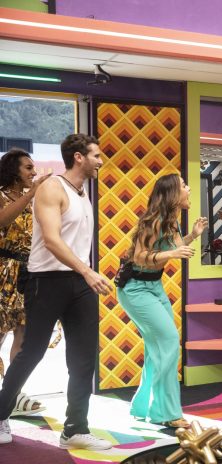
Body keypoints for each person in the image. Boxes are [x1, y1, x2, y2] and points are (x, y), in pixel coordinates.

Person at [0, 134, 113, 449]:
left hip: (79, 283)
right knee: (31, 352)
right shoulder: (52, 188)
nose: (100, 161)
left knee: (83, 358)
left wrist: (84, 274)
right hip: (46, 281)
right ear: (78, 157)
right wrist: (87, 271)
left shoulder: (82, 193)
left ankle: (75, 428)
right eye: (96, 156)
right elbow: (51, 240)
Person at [117, 173, 207, 429]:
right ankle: (166, 413)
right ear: (172, 194)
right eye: (184, 185)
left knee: (156, 348)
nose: (189, 189)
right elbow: (140, 256)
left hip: (153, 286)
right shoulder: (153, 220)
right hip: (135, 289)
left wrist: (193, 236)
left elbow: (173, 249)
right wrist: (173, 253)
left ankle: (143, 407)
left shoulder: (172, 221)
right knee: (168, 342)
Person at [0, 149, 51, 417]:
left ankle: (13, 394)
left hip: (28, 272)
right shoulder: (2, 195)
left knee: (23, 333)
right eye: (28, 168)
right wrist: (31, 194)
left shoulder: (34, 199)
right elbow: (2, 220)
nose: (34, 172)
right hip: (3, 271)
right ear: (13, 170)